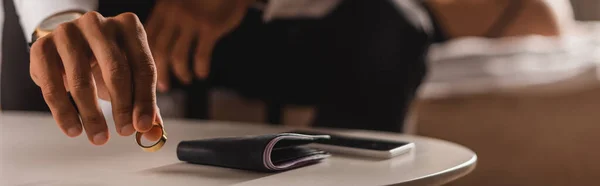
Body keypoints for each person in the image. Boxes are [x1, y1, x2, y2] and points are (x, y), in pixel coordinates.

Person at [13, 0, 571, 146]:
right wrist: (54, 19)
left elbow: (548, 18)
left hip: (285, 27)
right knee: (34, 56)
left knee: (392, 27)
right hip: (125, 18)